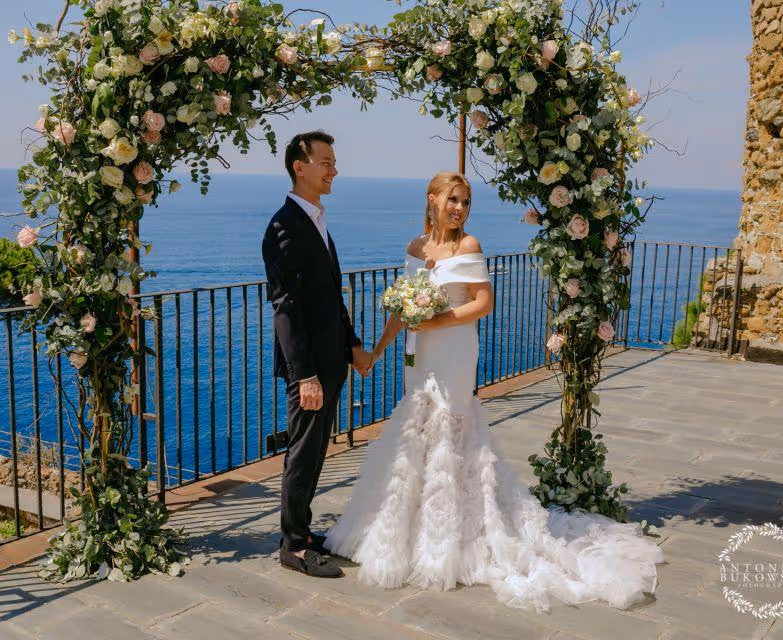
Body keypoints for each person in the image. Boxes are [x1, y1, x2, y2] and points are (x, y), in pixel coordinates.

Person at [324, 171, 664, 611]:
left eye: (465, 202)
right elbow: (403, 309)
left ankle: (452, 538)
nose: (459, 209)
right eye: (453, 200)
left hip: (454, 349)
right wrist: (375, 350)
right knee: (418, 424)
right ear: (432, 200)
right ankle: (408, 533)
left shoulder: (469, 246)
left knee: (451, 425)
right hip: (419, 353)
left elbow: (483, 301)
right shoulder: (415, 248)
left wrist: (438, 321)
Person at [262, 131, 373, 579]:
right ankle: (293, 544)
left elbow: (330, 296)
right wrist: (304, 374)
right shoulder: (284, 225)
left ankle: (304, 532)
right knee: (303, 451)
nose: (333, 170)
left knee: (316, 448)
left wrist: (353, 344)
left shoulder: (316, 219)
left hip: (331, 359)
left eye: (333, 161)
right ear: (299, 166)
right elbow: (285, 307)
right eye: (325, 162)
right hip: (308, 367)